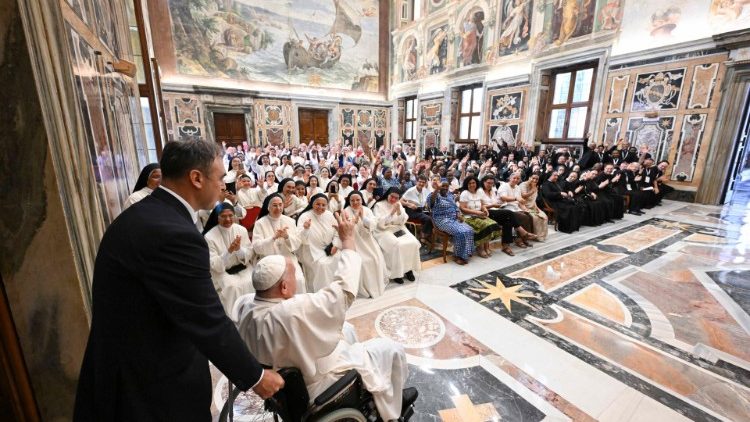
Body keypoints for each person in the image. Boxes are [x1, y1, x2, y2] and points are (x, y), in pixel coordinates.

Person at [74, 140, 283, 421]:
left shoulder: (149, 213)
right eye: (220, 177)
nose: (224, 185)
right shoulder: (173, 233)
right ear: (196, 178)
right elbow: (207, 319)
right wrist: (255, 376)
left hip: (127, 366)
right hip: (151, 386)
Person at [237, 213, 415, 421]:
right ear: (284, 287)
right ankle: (392, 408)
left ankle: (367, 378)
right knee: (392, 349)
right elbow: (342, 292)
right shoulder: (292, 312)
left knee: (346, 329)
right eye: (294, 275)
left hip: (287, 371)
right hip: (315, 381)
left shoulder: (245, 304)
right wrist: (348, 240)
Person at [203, 203, 255, 315]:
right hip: (222, 272)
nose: (228, 219)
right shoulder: (209, 236)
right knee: (233, 287)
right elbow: (214, 264)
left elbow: (249, 252)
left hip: (243, 267)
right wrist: (229, 251)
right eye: (223, 216)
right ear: (217, 217)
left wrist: (239, 250)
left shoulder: (241, 230)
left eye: (231, 215)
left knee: (252, 281)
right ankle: (234, 321)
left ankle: (251, 316)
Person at [252, 194, 306, 292]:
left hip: (287, 258)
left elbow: (297, 243)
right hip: (269, 259)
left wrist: (286, 237)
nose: (278, 208)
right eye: (275, 205)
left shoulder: (290, 221)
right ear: (268, 207)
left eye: (280, 205)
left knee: (299, 280)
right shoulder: (260, 223)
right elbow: (257, 247)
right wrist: (273, 238)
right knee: (274, 283)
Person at [344, 191, 389, 298]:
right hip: (354, 242)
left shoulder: (367, 210)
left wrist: (363, 217)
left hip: (368, 241)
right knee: (363, 262)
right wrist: (355, 220)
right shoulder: (345, 211)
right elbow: (345, 229)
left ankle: (375, 284)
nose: (355, 202)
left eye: (358, 200)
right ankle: (363, 288)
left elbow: (373, 225)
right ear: (349, 201)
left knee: (376, 258)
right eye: (352, 200)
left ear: (361, 200)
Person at [372, 188, 421, 284]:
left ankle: (408, 269)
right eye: (392, 197)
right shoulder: (379, 205)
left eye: (396, 198)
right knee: (397, 245)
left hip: (398, 228)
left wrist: (398, 210)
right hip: (383, 230)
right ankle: (396, 273)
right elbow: (380, 223)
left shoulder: (398, 204)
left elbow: (403, 220)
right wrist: (392, 212)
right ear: (387, 195)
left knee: (413, 242)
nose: (393, 199)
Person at [297, 194, 341, 292]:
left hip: (330, 248)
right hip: (311, 251)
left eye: (323, 205)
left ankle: (337, 291)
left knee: (340, 258)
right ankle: (324, 294)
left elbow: (337, 232)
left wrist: (335, 245)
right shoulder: (304, 216)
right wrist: (306, 229)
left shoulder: (329, 214)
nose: (320, 207)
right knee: (323, 266)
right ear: (312, 203)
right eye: (318, 204)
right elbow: (300, 239)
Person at [429, 181, 475, 265]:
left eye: (447, 186)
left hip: (453, 219)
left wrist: (458, 214)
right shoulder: (434, 195)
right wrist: (437, 190)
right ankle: (457, 256)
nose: (445, 188)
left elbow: (455, 207)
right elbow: (431, 203)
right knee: (460, 232)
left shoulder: (450, 195)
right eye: (443, 186)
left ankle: (465, 253)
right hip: (442, 220)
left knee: (470, 230)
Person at [459, 176, 502, 258]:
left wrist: (485, 210)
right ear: (466, 184)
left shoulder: (479, 192)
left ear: (476, 183)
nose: (472, 185)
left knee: (492, 224)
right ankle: (480, 248)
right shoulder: (464, 193)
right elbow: (462, 208)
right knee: (484, 225)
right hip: (468, 217)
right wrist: (476, 212)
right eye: (470, 183)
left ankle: (486, 246)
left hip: (479, 215)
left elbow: (482, 205)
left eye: (473, 183)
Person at [517, 173, 549, 241]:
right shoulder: (523, 185)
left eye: (537, 179)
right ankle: (535, 236)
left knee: (544, 216)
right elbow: (523, 195)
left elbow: (533, 200)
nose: (534, 180)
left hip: (532, 206)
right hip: (523, 206)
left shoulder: (535, 187)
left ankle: (541, 236)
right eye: (533, 178)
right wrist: (533, 190)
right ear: (529, 178)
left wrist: (537, 208)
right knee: (536, 218)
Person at [401, 175, 433, 242]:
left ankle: (427, 234)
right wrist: (409, 204)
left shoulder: (425, 190)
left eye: (423, 182)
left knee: (434, 216)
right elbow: (400, 201)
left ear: (425, 183)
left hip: (420, 209)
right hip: (411, 211)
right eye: (420, 182)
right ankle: (423, 236)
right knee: (428, 219)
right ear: (416, 182)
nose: (421, 184)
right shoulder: (411, 190)